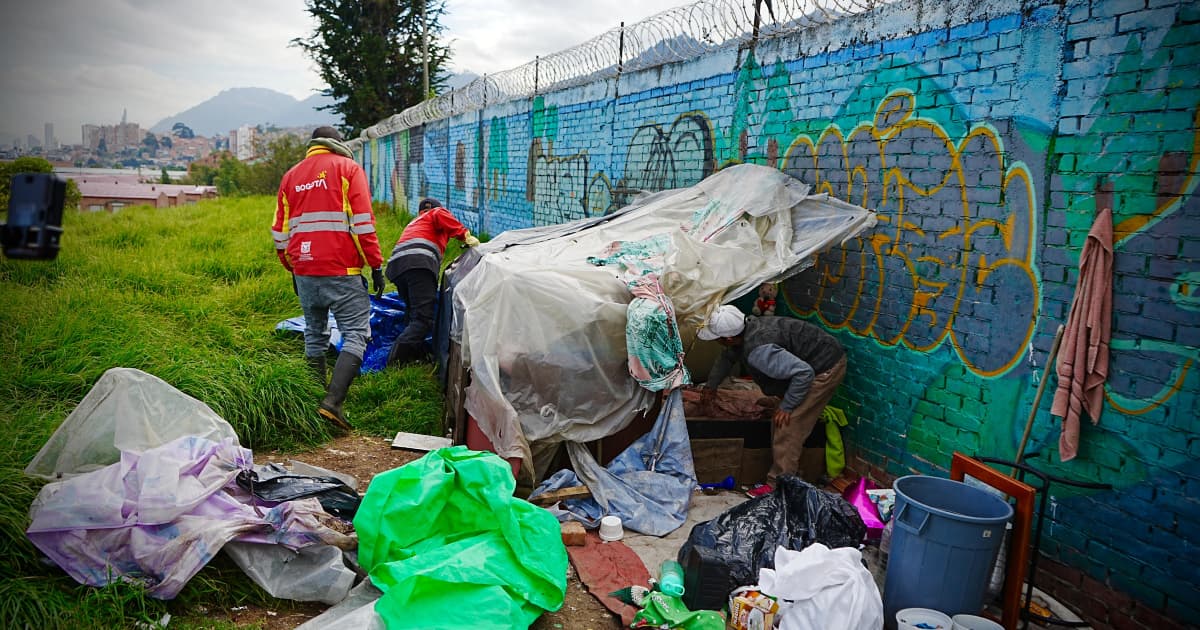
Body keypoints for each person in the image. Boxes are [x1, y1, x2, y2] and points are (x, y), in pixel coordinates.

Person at [272, 126, 384, 434]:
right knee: (357, 334)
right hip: (342, 270)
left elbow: (280, 233)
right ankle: (332, 403)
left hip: (304, 270)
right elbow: (363, 224)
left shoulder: (290, 176)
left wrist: (291, 267)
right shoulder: (348, 169)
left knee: (315, 332)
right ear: (338, 144)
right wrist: (375, 265)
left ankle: (310, 400)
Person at [698, 305, 847, 498]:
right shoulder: (746, 329)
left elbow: (804, 374)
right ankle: (791, 473)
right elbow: (727, 357)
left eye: (716, 338)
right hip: (808, 363)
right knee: (781, 415)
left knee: (788, 425)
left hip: (822, 369)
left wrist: (787, 406)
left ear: (728, 338)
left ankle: (778, 488)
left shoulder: (759, 349)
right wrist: (710, 386)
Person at [384, 197, 479, 365]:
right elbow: (440, 215)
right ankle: (396, 361)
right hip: (418, 264)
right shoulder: (435, 213)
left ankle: (414, 355)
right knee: (423, 319)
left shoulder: (415, 222)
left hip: (397, 267)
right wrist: (465, 235)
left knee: (413, 313)